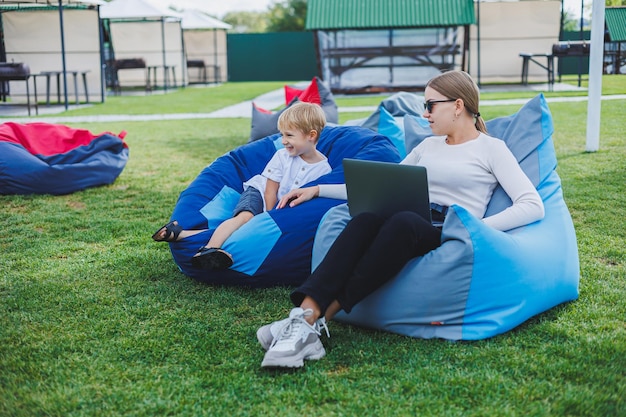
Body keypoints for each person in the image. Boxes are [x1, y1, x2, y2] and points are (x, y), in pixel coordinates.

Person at [257, 70, 545, 369]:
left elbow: (532, 205)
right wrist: (317, 189)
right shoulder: (427, 146)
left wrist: (476, 228)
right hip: (406, 217)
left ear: (457, 106)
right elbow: (383, 185)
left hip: (443, 228)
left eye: (431, 105)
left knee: (403, 222)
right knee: (365, 219)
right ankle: (304, 319)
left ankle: (313, 322)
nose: (425, 113)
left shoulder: (491, 148)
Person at [152, 102, 332, 270]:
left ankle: (181, 234)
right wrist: (269, 216)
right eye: (282, 134)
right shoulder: (282, 156)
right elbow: (270, 189)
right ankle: (208, 249)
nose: (284, 140)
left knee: (245, 230)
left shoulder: (323, 169)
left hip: (279, 206)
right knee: (244, 219)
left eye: (289, 135)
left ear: (311, 135)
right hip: (259, 192)